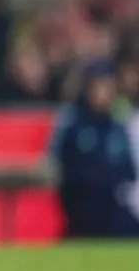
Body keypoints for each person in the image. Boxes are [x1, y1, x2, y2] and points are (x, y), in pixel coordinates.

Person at [48, 57, 139, 239]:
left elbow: (128, 170)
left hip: (114, 208)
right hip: (81, 208)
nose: (104, 92)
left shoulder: (119, 122)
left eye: (108, 86)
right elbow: (54, 164)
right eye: (99, 85)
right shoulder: (71, 121)